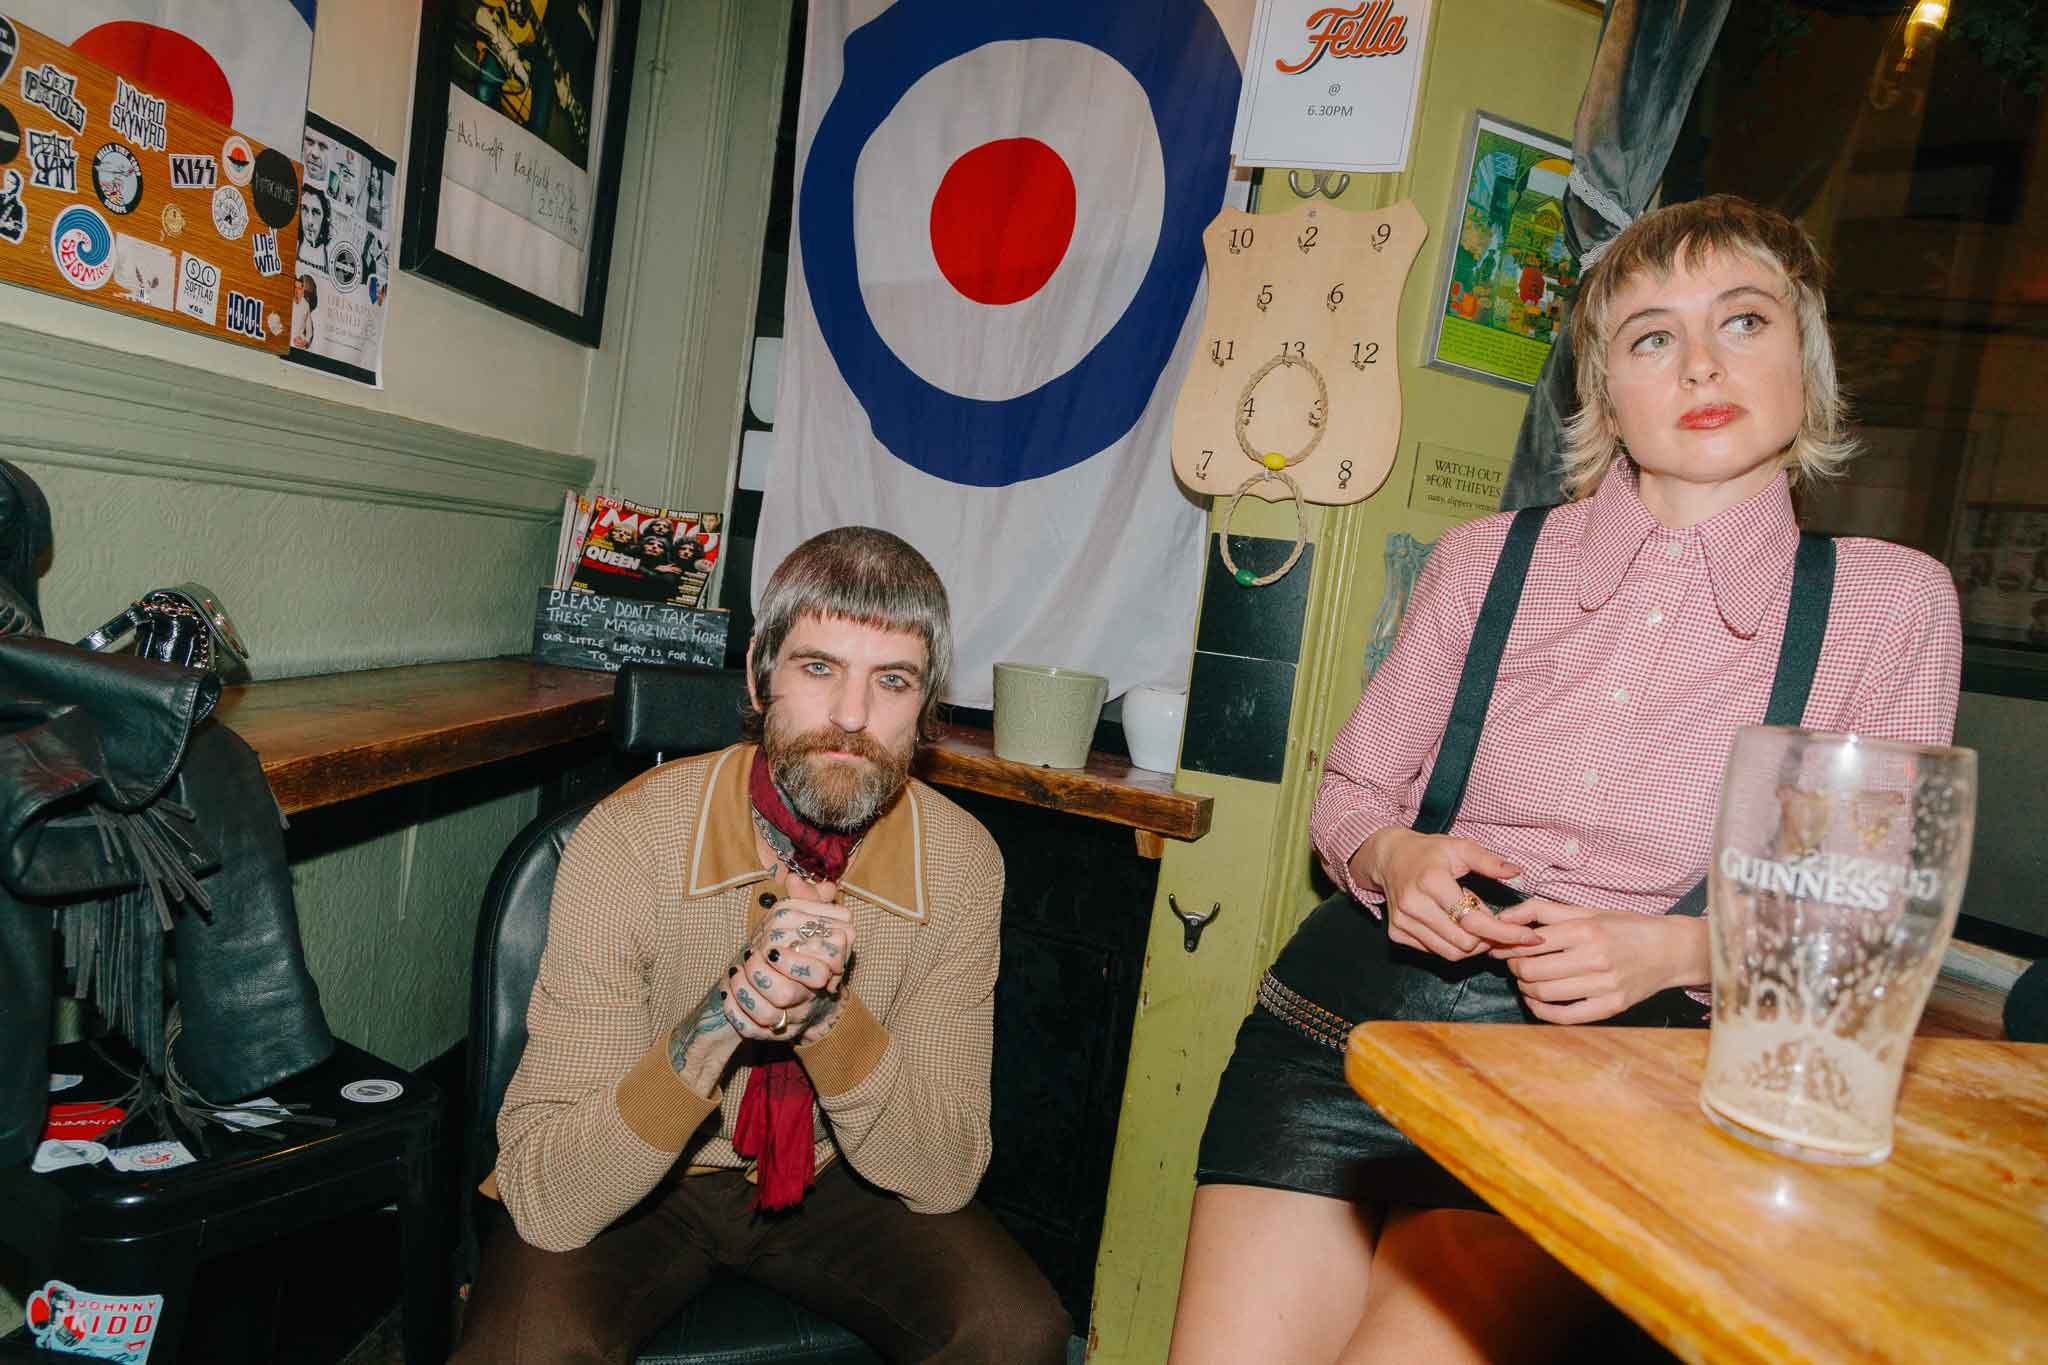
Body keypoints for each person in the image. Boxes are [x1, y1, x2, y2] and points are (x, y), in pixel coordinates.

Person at [1171, 195, 1960, 1365]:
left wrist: (1676, 951)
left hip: (1605, 1081)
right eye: (1651, 336)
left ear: (1805, 358)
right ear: (1604, 392)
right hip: (1342, 1034)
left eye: (1742, 321)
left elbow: (1862, 922)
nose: (1699, 363)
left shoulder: (1887, 605)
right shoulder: (1481, 561)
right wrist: (1395, 858)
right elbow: (1350, 793)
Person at [454, 526, 1070, 1364]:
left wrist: (826, 1019)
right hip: (651, 1170)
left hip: (837, 1169)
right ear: (758, 675)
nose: (851, 716)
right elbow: (547, 1199)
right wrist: (722, 1019)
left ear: (927, 710)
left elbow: (944, 1172)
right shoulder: (627, 840)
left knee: (1016, 1332)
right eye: (818, 668)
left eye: (892, 680)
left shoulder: (961, 865)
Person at [298, 185, 331, 273]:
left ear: (324, 218)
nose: (310, 221)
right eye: (304, 209)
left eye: (316, 212)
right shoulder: (294, 244)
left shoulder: (330, 256)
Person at [289, 274, 318, 351]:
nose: (296, 291)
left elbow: (309, 332)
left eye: (299, 288)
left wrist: (305, 342)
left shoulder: (306, 305)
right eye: (295, 287)